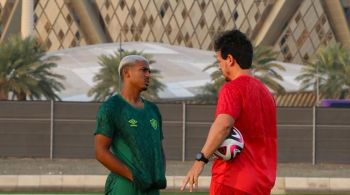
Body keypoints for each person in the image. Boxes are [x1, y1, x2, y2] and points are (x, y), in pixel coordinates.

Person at [181, 29, 277, 195]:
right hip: (262, 183)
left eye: (219, 61)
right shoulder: (267, 94)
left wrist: (200, 160)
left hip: (232, 180)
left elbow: (223, 126)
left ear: (230, 60)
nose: (219, 66)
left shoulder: (232, 89)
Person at [94, 55, 166, 195]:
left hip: (152, 188)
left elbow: (159, 148)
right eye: (143, 70)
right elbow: (100, 152)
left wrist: (160, 173)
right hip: (125, 187)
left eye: (149, 71)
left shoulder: (153, 110)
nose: (148, 75)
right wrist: (134, 176)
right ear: (127, 73)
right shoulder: (112, 108)